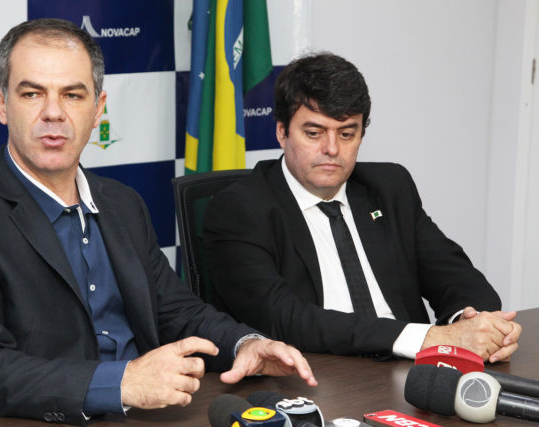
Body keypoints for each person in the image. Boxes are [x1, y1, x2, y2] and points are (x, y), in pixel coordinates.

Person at [0, 18, 317, 425]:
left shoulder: (122, 203)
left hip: (145, 417)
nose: (53, 113)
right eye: (32, 94)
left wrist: (245, 343)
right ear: (1, 103)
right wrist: (120, 383)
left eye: (72, 95)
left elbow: (177, 311)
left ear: (98, 108)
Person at [203, 52, 522, 363]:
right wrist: (426, 338)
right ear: (282, 132)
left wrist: (476, 325)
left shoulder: (389, 188)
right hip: (315, 375)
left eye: (346, 134)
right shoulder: (240, 209)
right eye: (313, 133)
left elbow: (456, 275)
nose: (331, 149)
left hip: (411, 372)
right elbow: (284, 319)